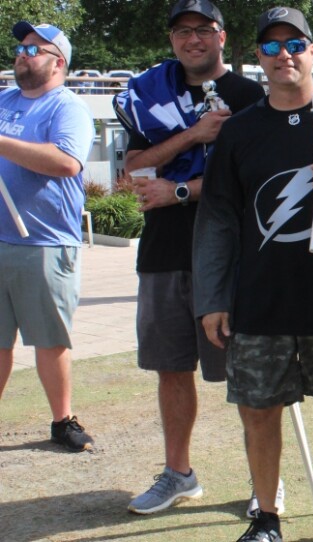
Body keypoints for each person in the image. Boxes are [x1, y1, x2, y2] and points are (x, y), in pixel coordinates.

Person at [192, 7, 313, 542]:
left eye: (294, 44)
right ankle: (267, 518)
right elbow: (217, 221)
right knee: (258, 413)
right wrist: (211, 297)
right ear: (258, 56)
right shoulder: (240, 133)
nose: (285, 55)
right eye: (272, 47)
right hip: (259, 299)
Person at [112, 0, 266, 515]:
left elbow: (254, 183)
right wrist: (193, 136)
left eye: (203, 29)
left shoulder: (249, 95)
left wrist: (178, 190)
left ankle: (264, 481)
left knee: (246, 374)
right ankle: (179, 473)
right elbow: (134, 166)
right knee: (170, 369)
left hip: (229, 255)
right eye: (182, 31)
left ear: (222, 36)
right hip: (162, 253)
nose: (192, 39)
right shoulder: (153, 91)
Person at [0, 20, 95, 452]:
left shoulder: (67, 107)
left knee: (50, 339)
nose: (23, 54)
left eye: (34, 49)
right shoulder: (3, 100)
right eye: (21, 47)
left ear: (58, 62)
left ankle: (62, 419)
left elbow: (66, 163)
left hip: (43, 243)